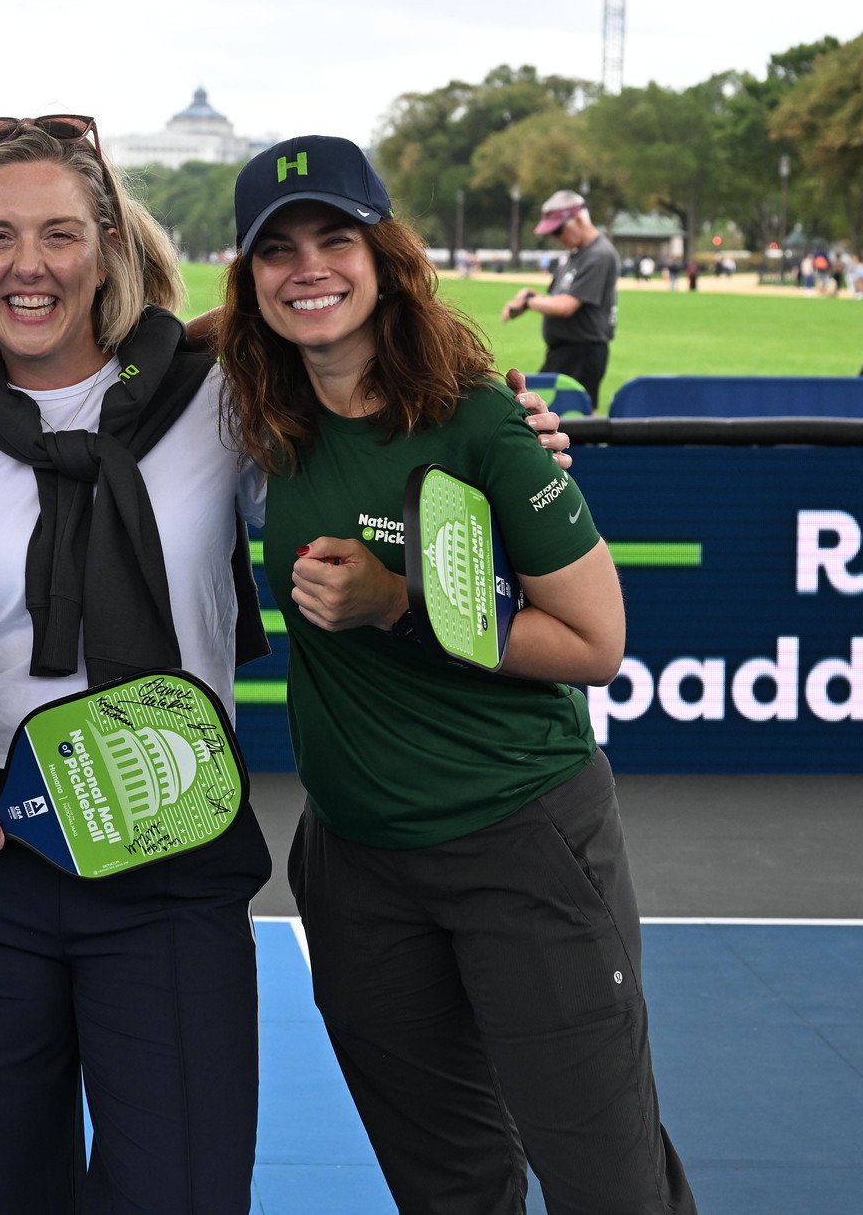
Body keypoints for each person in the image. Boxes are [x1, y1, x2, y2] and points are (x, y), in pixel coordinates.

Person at [218, 135, 695, 1215]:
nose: (309, 269)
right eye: (277, 250)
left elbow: (595, 642)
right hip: (356, 865)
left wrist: (397, 602)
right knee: (447, 1186)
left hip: (517, 840)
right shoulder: (260, 414)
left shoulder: (480, 417)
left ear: (386, 257)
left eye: (336, 240)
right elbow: (153, 339)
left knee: (607, 1182)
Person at [0, 118, 274, 1215]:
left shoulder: (216, 399)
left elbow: (357, 457)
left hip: (169, 841)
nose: (29, 266)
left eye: (58, 234)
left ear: (108, 248)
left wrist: (495, 427)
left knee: (183, 1193)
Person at [499, 188, 620, 407]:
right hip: (563, 352)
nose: (556, 238)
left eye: (558, 230)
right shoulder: (575, 255)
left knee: (566, 416)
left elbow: (566, 306)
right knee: (540, 411)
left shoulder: (599, 254)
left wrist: (529, 302)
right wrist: (530, 296)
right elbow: (555, 298)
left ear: (578, 219)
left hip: (582, 352)